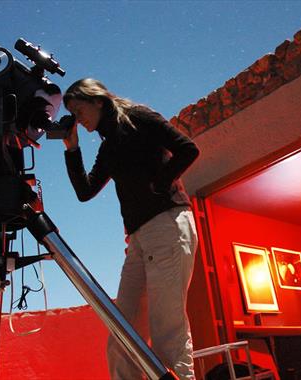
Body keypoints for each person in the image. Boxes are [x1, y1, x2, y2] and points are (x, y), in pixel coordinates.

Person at [61, 78, 200, 379]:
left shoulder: (138, 118)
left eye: (78, 109)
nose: (78, 119)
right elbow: (85, 191)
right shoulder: (109, 147)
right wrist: (72, 148)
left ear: (97, 100)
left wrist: (161, 183)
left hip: (167, 225)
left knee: (167, 333)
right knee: (123, 338)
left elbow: (187, 149)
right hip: (138, 239)